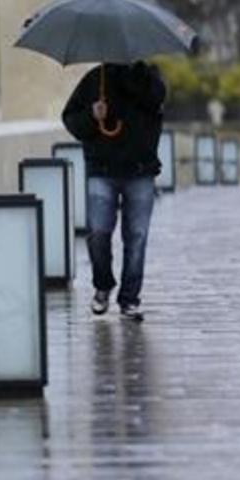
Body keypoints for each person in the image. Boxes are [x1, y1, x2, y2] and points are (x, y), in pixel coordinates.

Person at [61, 61, 167, 322]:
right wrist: (91, 115)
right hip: (102, 170)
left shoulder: (150, 79)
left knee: (137, 237)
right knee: (98, 232)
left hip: (140, 171)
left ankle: (129, 299)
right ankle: (103, 285)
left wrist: (135, 79)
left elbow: (157, 101)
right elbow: (70, 118)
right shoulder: (95, 81)